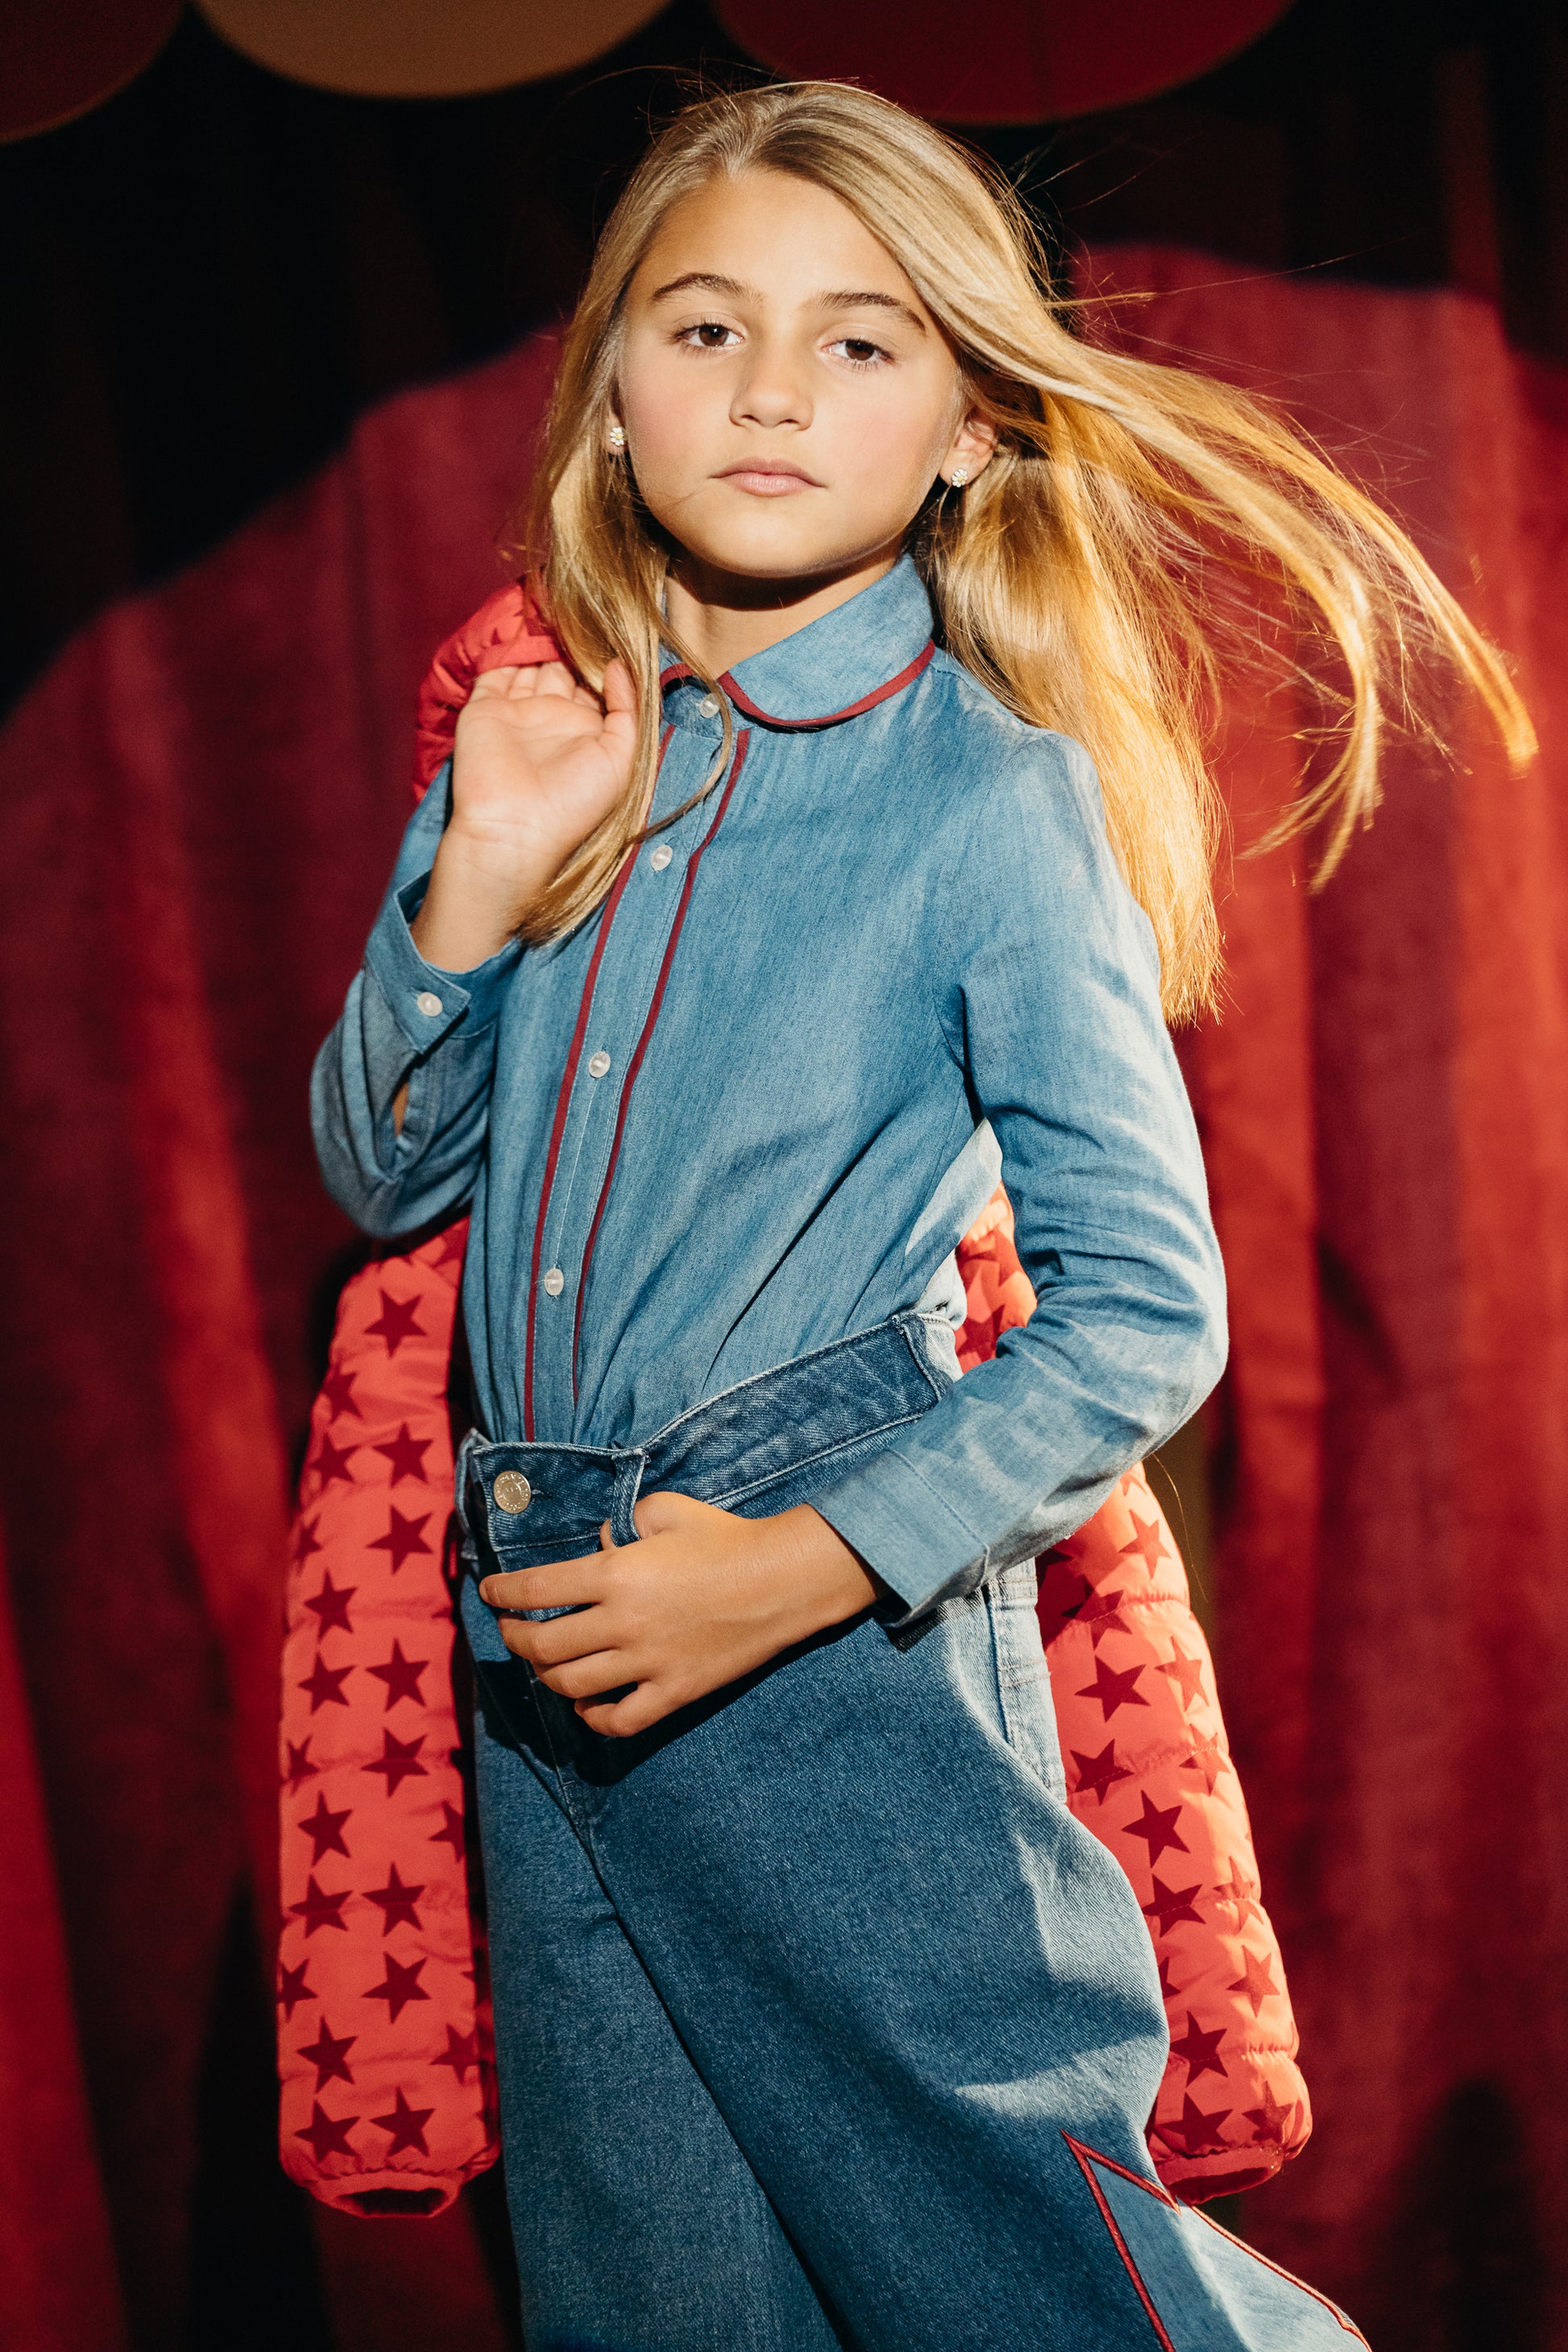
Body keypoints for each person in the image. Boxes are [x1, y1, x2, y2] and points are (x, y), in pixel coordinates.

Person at [310, 80, 1526, 2351]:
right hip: (535, 1625)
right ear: (612, 400)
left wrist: (794, 1567)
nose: (771, 389)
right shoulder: (546, 736)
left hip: (814, 1632)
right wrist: (471, 879)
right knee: (656, 2310)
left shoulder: (990, 798)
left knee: (1020, 2274)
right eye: (705, 328)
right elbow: (383, 1174)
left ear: (970, 425)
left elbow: (1141, 1309)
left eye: (858, 341)